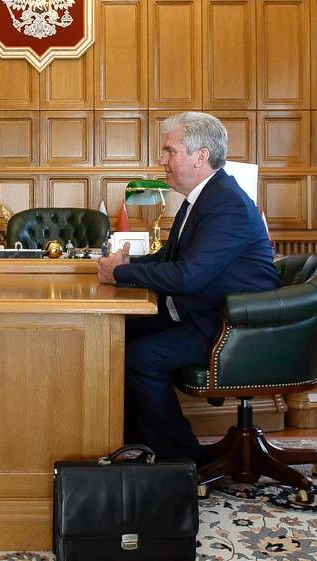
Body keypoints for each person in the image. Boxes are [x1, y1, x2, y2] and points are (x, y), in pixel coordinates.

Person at [97, 111, 280, 465]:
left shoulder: (226, 204)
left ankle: (181, 462)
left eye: (170, 151)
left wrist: (120, 274)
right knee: (110, 334)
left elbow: (188, 276)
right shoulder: (202, 198)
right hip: (202, 314)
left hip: (233, 328)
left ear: (201, 156)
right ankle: (135, 444)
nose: (162, 160)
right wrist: (125, 265)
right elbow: (168, 259)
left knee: (139, 358)